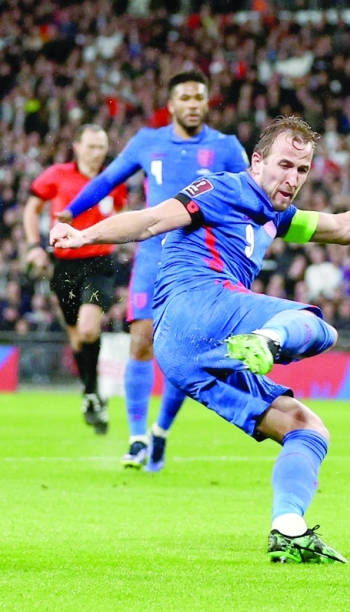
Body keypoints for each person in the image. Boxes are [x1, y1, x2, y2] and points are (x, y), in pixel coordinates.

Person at [50, 116, 350, 564]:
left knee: (307, 430)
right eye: (285, 165)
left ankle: (288, 528)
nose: (292, 179)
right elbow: (153, 220)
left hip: (188, 354)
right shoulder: (222, 189)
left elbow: (345, 227)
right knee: (316, 326)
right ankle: (267, 340)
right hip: (198, 303)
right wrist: (84, 234)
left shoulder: (275, 216)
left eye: (302, 171)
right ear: (257, 160)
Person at [56, 70, 248, 469]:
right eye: (186, 98)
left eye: (200, 97)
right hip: (153, 254)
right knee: (141, 340)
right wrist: (70, 214)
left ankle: (161, 430)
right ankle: (138, 438)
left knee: (184, 351)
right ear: (172, 104)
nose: (193, 104)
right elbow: (108, 179)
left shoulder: (227, 147)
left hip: (203, 261)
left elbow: (252, 196)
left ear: (206, 103)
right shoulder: (148, 141)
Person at [23, 124, 127, 434]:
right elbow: (32, 208)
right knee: (77, 337)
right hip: (64, 264)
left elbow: (121, 215)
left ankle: (92, 393)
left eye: (102, 147)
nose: (98, 153)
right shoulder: (57, 174)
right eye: (92, 146)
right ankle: (92, 393)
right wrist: (33, 246)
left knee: (88, 326)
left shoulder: (113, 180)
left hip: (99, 262)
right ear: (77, 147)